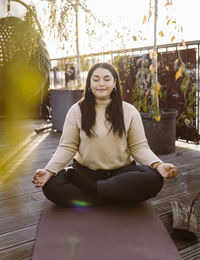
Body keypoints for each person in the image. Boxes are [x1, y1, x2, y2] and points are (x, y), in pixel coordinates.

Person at [32, 62, 178, 207]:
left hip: (121, 174)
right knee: (51, 185)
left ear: (114, 83)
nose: (101, 83)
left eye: (107, 79)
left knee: (154, 179)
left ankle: (93, 192)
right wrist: (48, 170)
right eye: (95, 79)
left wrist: (158, 165)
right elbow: (67, 147)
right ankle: (113, 196)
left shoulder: (129, 111)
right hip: (85, 173)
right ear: (89, 84)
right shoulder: (76, 110)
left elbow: (139, 147)